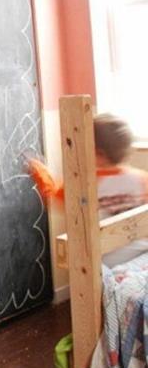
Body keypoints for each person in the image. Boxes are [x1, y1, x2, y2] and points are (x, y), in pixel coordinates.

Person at [28, 112, 148, 266]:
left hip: (108, 264)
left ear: (99, 154)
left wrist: (40, 173)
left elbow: (55, 197)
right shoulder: (141, 179)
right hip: (141, 260)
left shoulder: (88, 183)